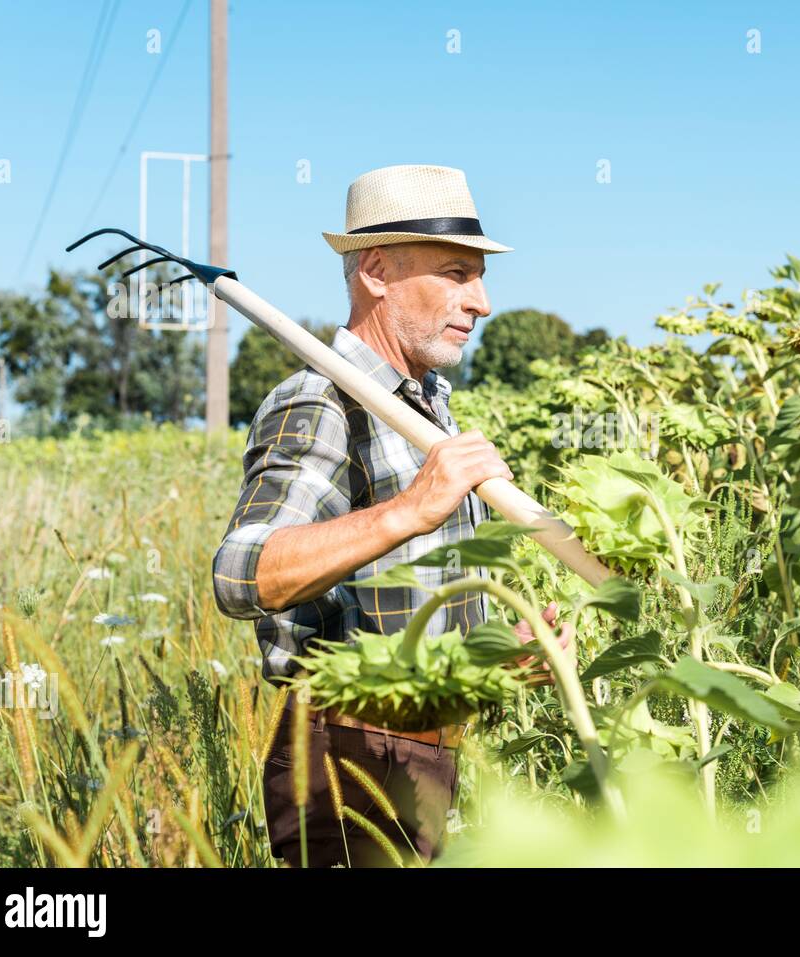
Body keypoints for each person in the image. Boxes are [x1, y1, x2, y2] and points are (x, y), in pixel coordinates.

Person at [212, 164, 567, 867]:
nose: (484, 301)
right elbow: (244, 573)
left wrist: (497, 661)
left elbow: (405, 609)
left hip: (422, 761)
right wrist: (410, 508)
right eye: (458, 274)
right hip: (349, 766)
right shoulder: (320, 400)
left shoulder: (425, 403)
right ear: (376, 270)